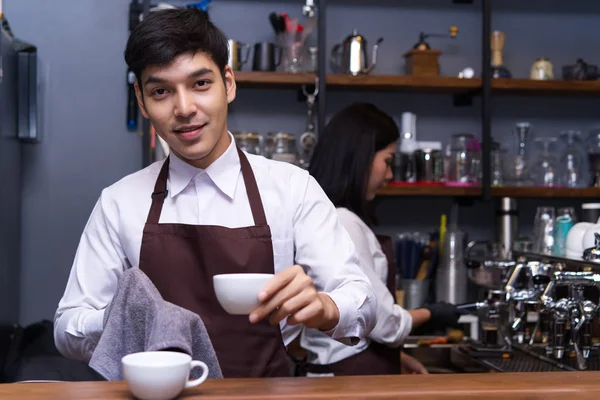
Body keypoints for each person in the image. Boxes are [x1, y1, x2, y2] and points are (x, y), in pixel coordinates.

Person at [53, 9, 378, 379]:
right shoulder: (119, 202)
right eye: (161, 91)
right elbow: (67, 328)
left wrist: (324, 307)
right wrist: (123, 315)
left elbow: (363, 306)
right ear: (142, 103)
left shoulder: (292, 189)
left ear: (229, 83)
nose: (185, 108)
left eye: (200, 84)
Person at [302, 102, 464, 376]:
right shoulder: (343, 221)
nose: (389, 175)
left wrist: (396, 360)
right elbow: (381, 320)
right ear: (361, 158)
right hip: (350, 376)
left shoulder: (329, 217)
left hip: (344, 366)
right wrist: (432, 313)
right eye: (387, 161)